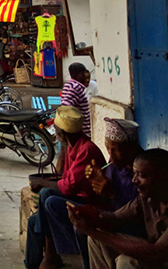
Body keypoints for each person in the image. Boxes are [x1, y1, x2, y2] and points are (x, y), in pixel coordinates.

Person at [25, 106, 106, 269]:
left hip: (89, 203)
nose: (55, 134)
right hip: (76, 197)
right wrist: (62, 151)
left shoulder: (86, 150)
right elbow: (64, 176)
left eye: (56, 131)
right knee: (34, 221)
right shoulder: (71, 147)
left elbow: (68, 188)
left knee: (48, 196)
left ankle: (50, 254)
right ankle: (32, 264)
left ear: (63, 133)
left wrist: (42, 183)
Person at [68, 148, 168, 269]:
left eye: (142, 175)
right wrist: (92, 215)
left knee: (127, 261)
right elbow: (115, 217)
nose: (134, 180)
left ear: (162, 177)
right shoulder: (146, 199)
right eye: (134, 173)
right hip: (155, 254)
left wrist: (94, 232)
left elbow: (156, 252)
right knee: (96, 240)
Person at [75, 118, 144, 268]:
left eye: (115, 149)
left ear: (131, 148)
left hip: (139, 230)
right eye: (107, 149)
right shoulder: (113, 166)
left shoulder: (144, 169)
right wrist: (94, 182)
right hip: (118, 221)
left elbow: (139, 210)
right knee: (87, 229)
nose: (110, 155)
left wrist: (113, 194)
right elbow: (106, 203)